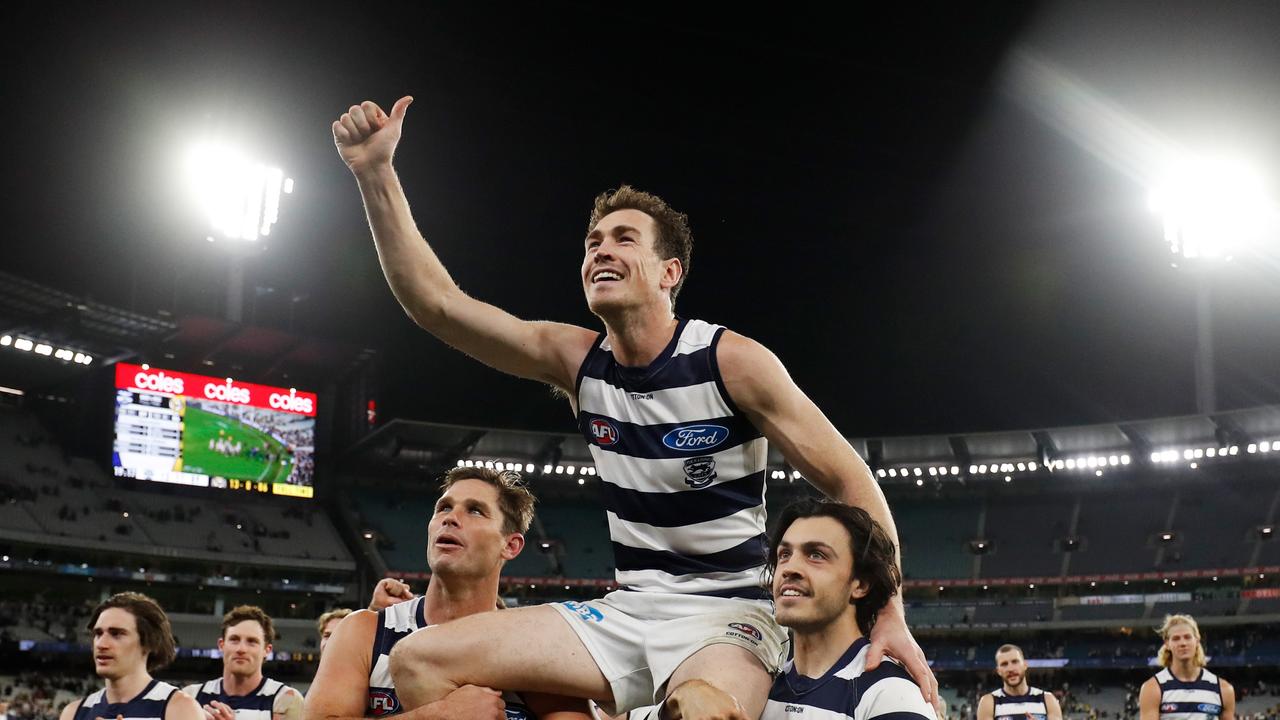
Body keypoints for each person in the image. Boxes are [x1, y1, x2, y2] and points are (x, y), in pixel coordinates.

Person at [331, 95, 932, 720]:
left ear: (669, 272)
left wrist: (890, 610)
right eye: (593, 242)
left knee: (700, 708)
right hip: (625, 610)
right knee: (417, 659)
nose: (601, 251)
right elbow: (437, 305)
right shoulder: (577, 360)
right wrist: (375, 172)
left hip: (728, 615)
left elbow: (848, 479)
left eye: (624, 239)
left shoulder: (732, 361)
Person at [303, 466, 588, 720]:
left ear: (510, 545)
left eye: (475, 510)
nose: (450, 518)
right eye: (444, 507)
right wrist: (438, 715)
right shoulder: (364, 633)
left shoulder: (531, 649)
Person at [759, 499, 936, 720]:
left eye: (816, 555)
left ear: (860, 584)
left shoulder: (891, 694)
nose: (789, 569)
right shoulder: (762, 688)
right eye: (784, 554)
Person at [59, 592, 203, 720]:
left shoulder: (180, 709)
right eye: (98, 634)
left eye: (116, 634)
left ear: (148, 643)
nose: (101, 644)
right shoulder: (73, 713)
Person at [181, 606, 304, 720]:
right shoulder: (191, 696)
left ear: (267, 650)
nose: (241, 649)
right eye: (234, 639)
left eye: (252, 641)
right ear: (221, 645)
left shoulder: (286, 700)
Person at [1139, 614, 1235, 720]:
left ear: (1197, 641)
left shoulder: (1223, 689)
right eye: (1176, 639)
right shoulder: (1153, 689)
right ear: (1167, 644)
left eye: (1187, 637)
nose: (1183, 643)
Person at [976, 645, 1061, 720]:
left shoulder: (1048, 700)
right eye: (1004, 664)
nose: (1010, 669)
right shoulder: (988, 703)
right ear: (998, 671)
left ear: (1025, 665)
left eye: (1015, 662)